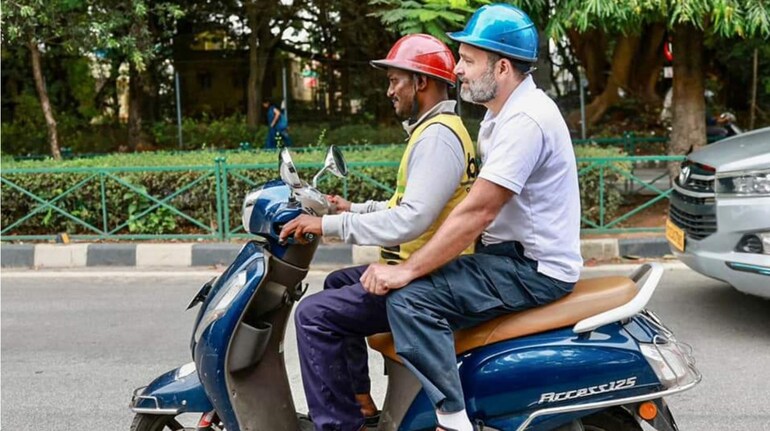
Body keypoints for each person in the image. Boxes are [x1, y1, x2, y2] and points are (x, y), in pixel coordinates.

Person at [358, 5, 583, 431]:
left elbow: (479, 210)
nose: (456, 69)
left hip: (531, 269)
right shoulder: (498, 118)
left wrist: (406, 270)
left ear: (501, 67)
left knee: (411, 300)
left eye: (466, 60)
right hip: (506, 258)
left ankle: (452, 419)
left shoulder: (526, 121)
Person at [279, 34, 478, 431]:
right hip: (423, 267)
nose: (389, 91)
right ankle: (360, 400)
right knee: (337, 283)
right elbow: (406, 205)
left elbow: (411, 220)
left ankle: (338, 425)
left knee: (312, 316)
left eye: (394, 81)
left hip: (428, 278)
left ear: (421, 82)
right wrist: (352, 208)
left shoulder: (438, 136)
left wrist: (327, 225)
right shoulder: (434, 130)